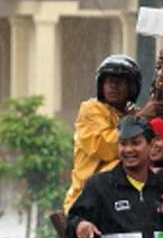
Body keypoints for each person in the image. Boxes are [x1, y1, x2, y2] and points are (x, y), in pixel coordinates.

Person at [63, 55, 156, 212]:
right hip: (87, 200)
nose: (113, 86)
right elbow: (105, 147)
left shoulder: (132, 113)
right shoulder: (91, 109)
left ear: (132, 87)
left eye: (119, 82)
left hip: (119, 198)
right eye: (109, 81)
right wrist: (141, 118)